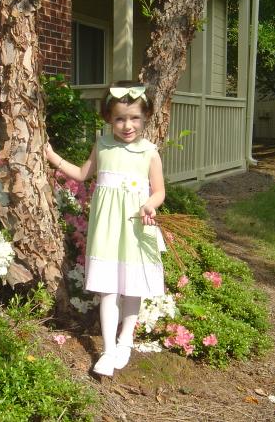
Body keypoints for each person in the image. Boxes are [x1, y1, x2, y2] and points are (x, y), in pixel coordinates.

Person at [45, 80, 166, 377]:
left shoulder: (149, 152)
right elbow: (82, 174)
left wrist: (150, 205)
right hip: (108, 229)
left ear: (146, 117)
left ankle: (126, 340)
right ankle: (109, 350)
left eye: (134, 118)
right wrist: (51, 155)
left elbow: (159, 191)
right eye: (120, 118)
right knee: (109, 289)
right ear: (108, 118)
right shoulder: (102, 145)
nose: (127, 125)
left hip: (136, 227)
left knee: (133, 286)